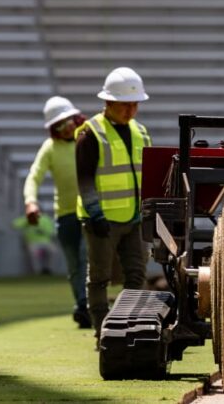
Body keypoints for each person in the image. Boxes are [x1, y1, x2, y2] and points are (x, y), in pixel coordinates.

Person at [76, 68, 151, 334]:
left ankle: (130, 327)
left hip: (134, 218)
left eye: (134, 105)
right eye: (124, 105)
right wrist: (95, 213)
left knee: (137, 276)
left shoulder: (141, 133)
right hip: (102, 221)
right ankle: (101, 331)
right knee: (99, 279)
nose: (130, 111)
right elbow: (84, 179)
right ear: (108, 103)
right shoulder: (91, 134)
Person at [24, 95, 91, 328]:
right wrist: (31, 201)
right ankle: (82, 305)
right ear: (53, 128)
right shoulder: (50, 148)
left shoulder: (87, 139)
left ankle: (89, 304)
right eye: (59, 124)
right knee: (74, 265)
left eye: (69, 121)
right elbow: (34, 175)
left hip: (88, 212)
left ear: (76, 118)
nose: (66, 127)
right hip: (64, 216)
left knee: (84, 257)